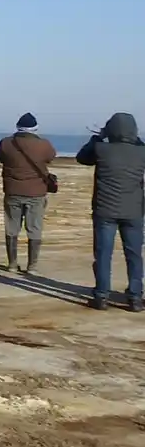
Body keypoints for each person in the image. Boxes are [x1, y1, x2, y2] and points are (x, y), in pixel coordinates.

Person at [77, 113, 145, 312]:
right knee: (134, 256)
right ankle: (135, 298)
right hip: (134, 210)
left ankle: (101, 296)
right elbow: (139, 144)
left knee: (103, 254)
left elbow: (83, 158)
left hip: (104, 210)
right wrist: (132, 138)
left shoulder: (101, 149)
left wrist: (98, 136)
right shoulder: (141, 152)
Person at [0, 113, 56, 275]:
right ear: (35, 128)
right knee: (34, 228)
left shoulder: (6, 143)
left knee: (12, 227)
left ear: (18, 127)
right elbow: (51, 157)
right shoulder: (43, 145)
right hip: (36, 192)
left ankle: (12, 264)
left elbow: (0, 157)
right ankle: (32, 266)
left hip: (13, 191)